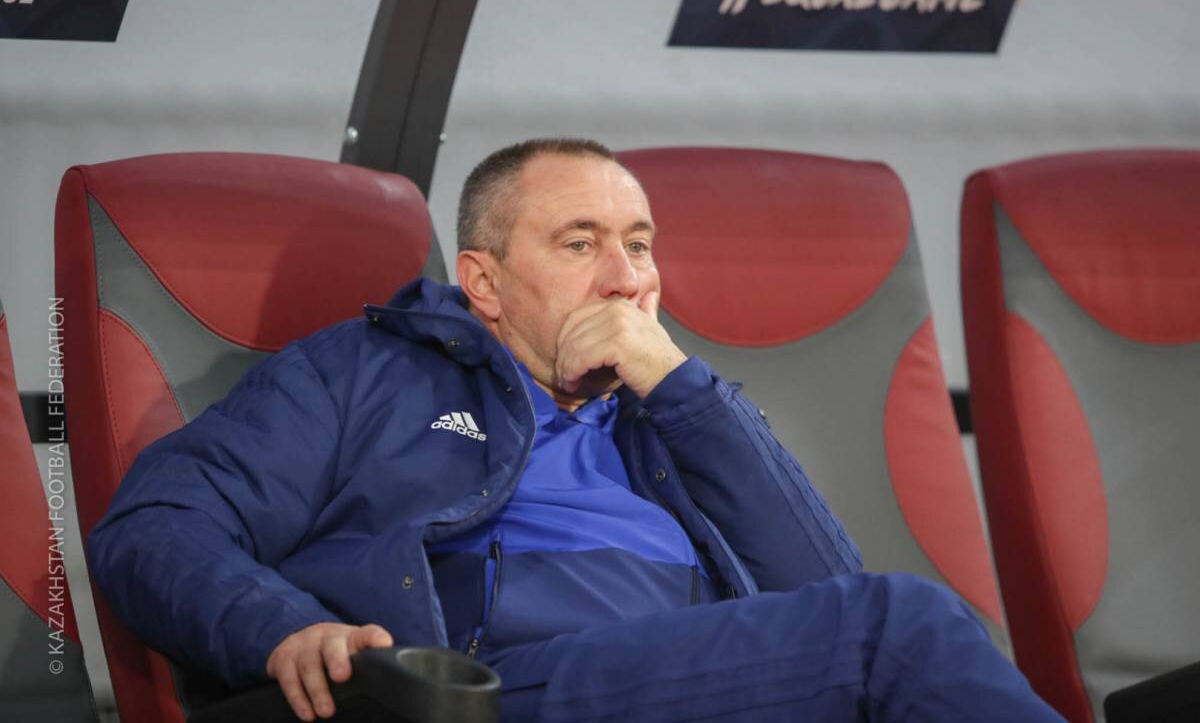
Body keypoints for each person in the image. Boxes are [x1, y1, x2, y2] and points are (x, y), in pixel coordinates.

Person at [88, 138, 1063, 722]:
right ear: (484, 281)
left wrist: (683, 389)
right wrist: (283, 628)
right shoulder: (365, 369)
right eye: (580, 243)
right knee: (905, 627)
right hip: (488, 687)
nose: (625, 277)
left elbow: (824, 588)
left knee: (899, 636)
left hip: (701, 683)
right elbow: (155, 525)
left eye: (639, 245)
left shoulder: (673, 412)